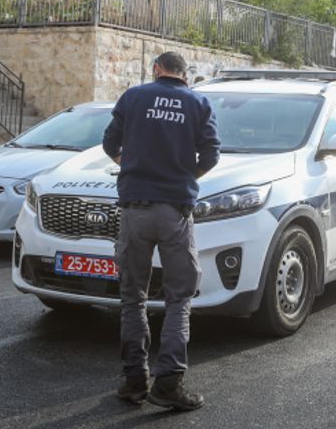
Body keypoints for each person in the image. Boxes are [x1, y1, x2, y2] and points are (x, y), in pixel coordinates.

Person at [103, 52, 221, 411]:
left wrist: (133, 167)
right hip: (175, 211)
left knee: (133, 297)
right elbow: (211, 155)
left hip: (135, 209)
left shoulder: (134, 96)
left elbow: (110, 144)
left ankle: (135, 380)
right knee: (179, 298)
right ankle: (168, 382)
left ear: (156, 70)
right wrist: (183, 178)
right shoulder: (199, 102)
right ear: (185, 75)